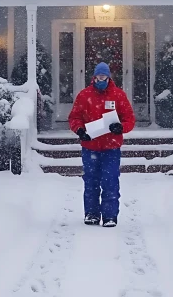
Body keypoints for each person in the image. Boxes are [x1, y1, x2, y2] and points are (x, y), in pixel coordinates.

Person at [68, 62, 135, 227]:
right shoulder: (84, 96)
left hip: (111, 148)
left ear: (109, 77)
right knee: (91, 181)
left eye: (104, 76)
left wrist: (121, 128)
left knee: (110, 181)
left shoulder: (118, 96)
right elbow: (74, 117)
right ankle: (91, 214)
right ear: (94, 77)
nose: (101, 79)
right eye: (98, 76)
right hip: (90, 146)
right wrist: (80, 130)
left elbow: (129, 118)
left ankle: (110, 216)